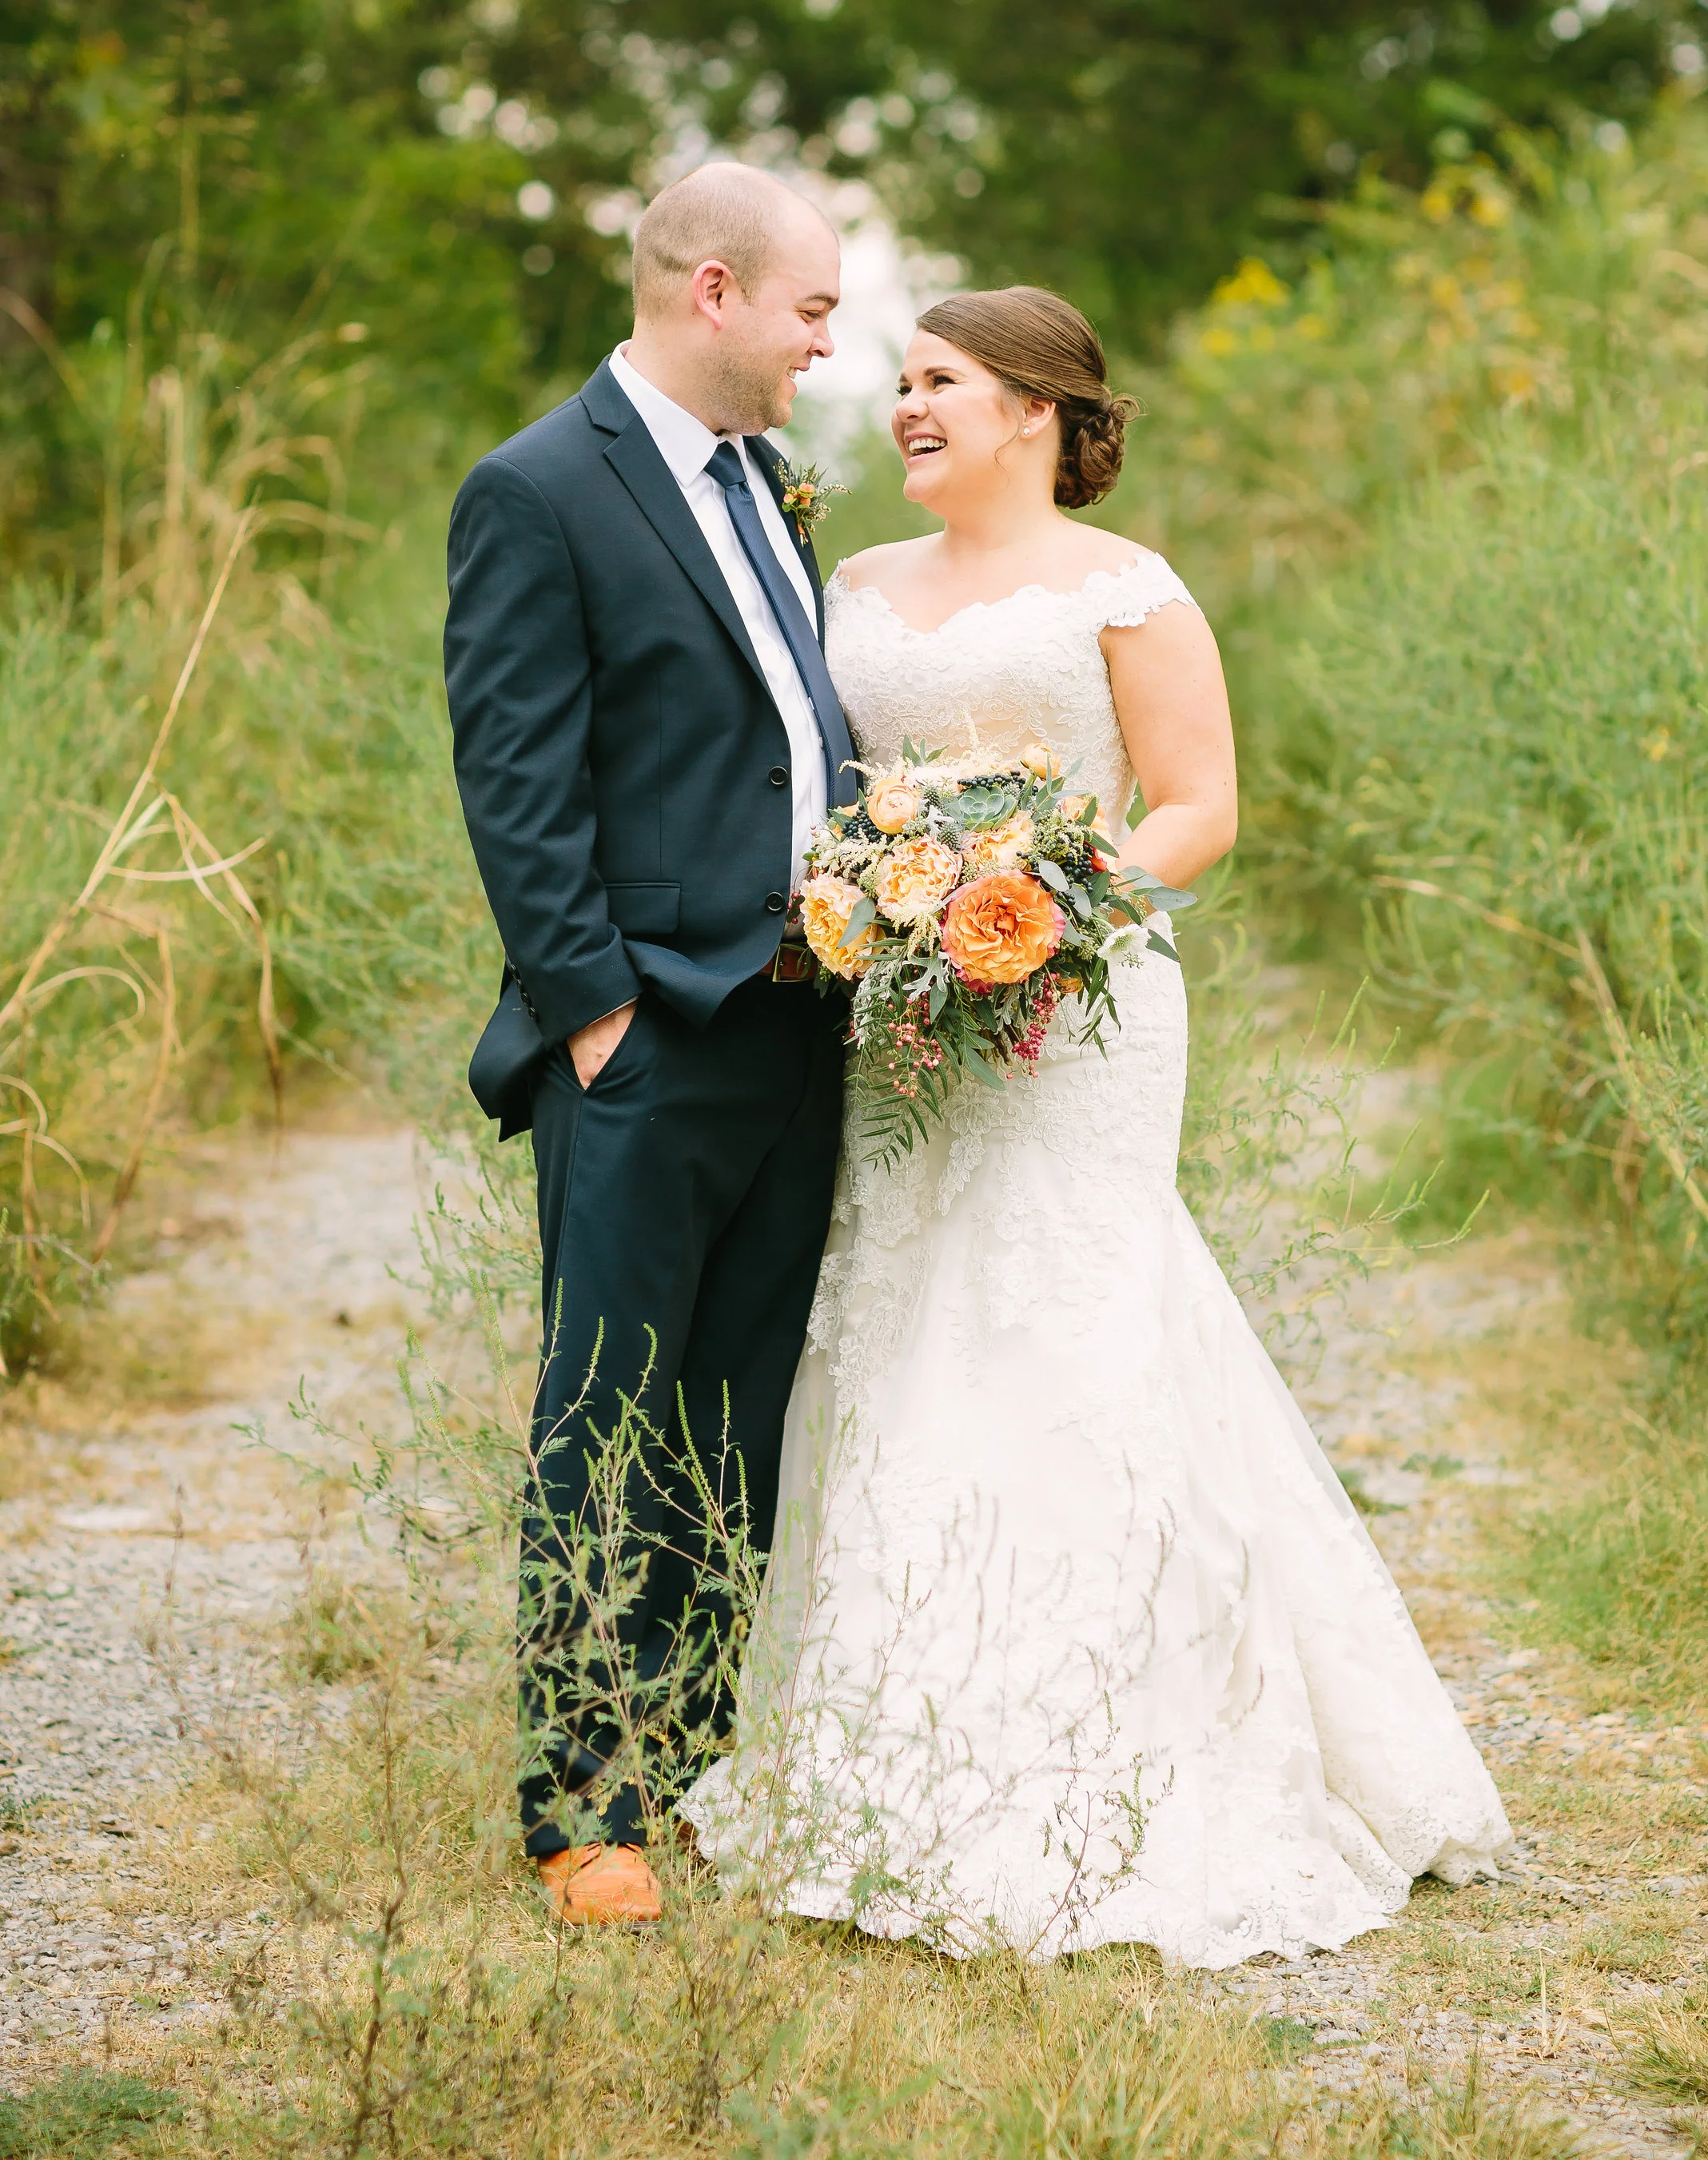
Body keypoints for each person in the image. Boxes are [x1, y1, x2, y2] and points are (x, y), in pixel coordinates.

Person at [686, 285, 1512, 1964]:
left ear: (1037, 410)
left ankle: (1130, 1754)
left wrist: (1038, 900)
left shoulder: (1126, 589)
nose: (902, 404)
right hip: (902, 1018)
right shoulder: (849, 586)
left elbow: (1199, 802)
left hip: (1078, 1015)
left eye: (939, 382)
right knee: (907, 1324)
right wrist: (885, 908)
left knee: (1072, 1329)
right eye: (898, 380)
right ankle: (891, 1755)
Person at [444, 162, 857, 1926]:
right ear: (711, 290)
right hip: (648, 1035)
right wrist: (595, 1007)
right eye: (810, 311)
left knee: (733, 1418)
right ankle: (581, 1813)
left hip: (800, 1020)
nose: (824, 346)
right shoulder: (537, 488)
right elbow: (516, 777)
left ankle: (684, 1765)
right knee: (603, 1422)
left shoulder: (767, 481)